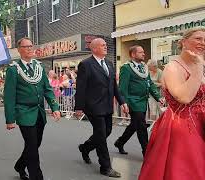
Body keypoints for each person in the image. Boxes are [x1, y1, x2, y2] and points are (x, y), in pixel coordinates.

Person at [139, 28, 205, 180]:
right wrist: (199, 67)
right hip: (181, 126)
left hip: (200, 122)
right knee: (186, 170)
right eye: (198, 39)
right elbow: (185, 97)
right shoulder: (173, 67)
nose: (202, 43)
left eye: (204, 40)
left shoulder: (198, 64)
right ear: (183, 42)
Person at [4, 37, 60, 180]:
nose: (29, 48)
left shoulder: (39, 67)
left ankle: (20, 166)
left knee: (35, 144)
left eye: (31, 46)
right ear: (19, 50)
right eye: (26, 46)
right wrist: (10, 119)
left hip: (39, 113)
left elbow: (47, 89)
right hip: (24, 112)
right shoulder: (13, 70)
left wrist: (55, 107)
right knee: (32, 147)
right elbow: (9, 96)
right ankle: (37, 176)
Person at [74, 38, 128, 178]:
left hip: (106, 105)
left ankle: (85, 147)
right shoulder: (86, 64)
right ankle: (105, 167)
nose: (105, 47)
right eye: (102, 45)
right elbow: (81, 87)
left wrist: (122, 101)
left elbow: (113, 86)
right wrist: (78, 107)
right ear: (94, 48)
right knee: (101, 136)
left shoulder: (109, 63)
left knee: (106, 131)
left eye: (105, 45)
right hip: (93, 106)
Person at [114, 46, 163, 156]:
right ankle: (146, 151)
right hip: (132, 102)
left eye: (143, 52)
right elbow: (123, 87)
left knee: (135, 125)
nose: (144, 54)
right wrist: (124, 103)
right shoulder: (126, 68)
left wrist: (158, 97)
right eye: (141, 52)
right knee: (141, 125)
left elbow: (150, 85)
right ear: (133, 54)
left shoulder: (144, 67)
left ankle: (120, 142)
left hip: (142, 101)